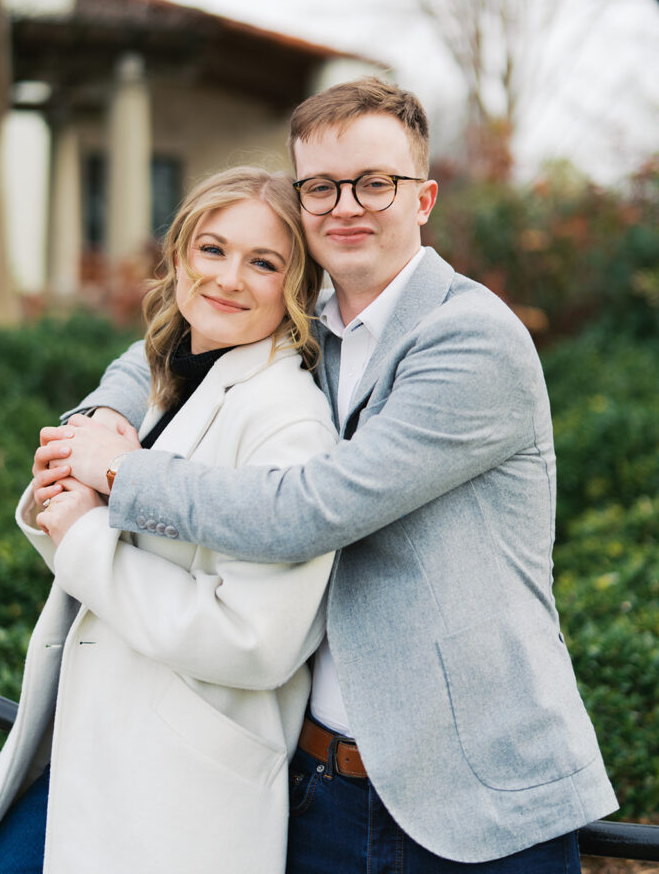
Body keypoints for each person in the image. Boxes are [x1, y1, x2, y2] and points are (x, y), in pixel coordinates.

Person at [40, 77, 618, 873]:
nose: (347, 205)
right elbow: (181, 337)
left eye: (375, 182)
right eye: (321, 186)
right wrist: (99, 417)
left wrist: (126, 476)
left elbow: (310, 510)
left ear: (423, 197)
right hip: (319, 791)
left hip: (476, 801)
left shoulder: (473, 340)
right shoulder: (308, 323)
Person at [0, 168, 337, 874]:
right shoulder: (174, 374)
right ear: (180, 254)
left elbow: (255, 640)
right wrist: (63, 504)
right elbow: (123, 545)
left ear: (298, 285)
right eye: (212, 249)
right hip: (95, 742)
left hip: (177, 780)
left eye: (264, 262)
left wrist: (84, 536)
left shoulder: (289, 422)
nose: (227, 278)